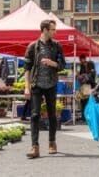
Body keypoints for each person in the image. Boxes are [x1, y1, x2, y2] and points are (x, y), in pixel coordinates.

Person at [24, 19, 65, 159]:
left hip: (51, 84)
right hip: (36, 85)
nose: (55, 32)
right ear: (45, 30)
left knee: (52, 114)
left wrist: (52, 63)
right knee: (35, 115)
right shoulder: (32, 47)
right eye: (53, 29)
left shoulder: (57, 46)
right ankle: (34, 146)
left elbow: (62, 65)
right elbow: (27, 69)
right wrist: (27, 88)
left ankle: (52, 142)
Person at [78, 55, 96, 119]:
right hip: (86, 86)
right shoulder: (82, 66)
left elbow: (88, 78)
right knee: (84, 101)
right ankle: (84, 115)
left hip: (87, 86)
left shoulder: (89, 66)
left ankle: (85, 116)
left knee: (85, 101)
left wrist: (82, 76)